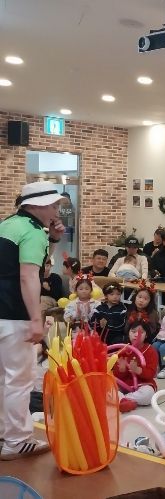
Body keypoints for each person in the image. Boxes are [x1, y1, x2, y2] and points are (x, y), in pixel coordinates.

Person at [0, 180, 64, 460]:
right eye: (54, 205)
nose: (57, 211)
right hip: (15, 315)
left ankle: (4, 435)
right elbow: (29, 276)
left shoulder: (8, 225)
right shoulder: (33, 231)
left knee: (3, 379)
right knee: (19, 380)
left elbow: (39, 270)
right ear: (38, 206)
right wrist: (36, 319)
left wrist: (53, 240)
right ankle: (17, 441)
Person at [117, 320, 159, 413]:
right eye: (133, 331)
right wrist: (122, 370)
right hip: (125, 385)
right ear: (128, 333)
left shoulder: (151, 351)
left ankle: (123, 400)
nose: (136, 335)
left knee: (147, 395)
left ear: (146, 335)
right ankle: (126, 401)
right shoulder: (123, 350)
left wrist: (137, 370)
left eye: (141, 332)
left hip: (143, 384)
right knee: (108, 390)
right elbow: (117, 376)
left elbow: (151, 374)